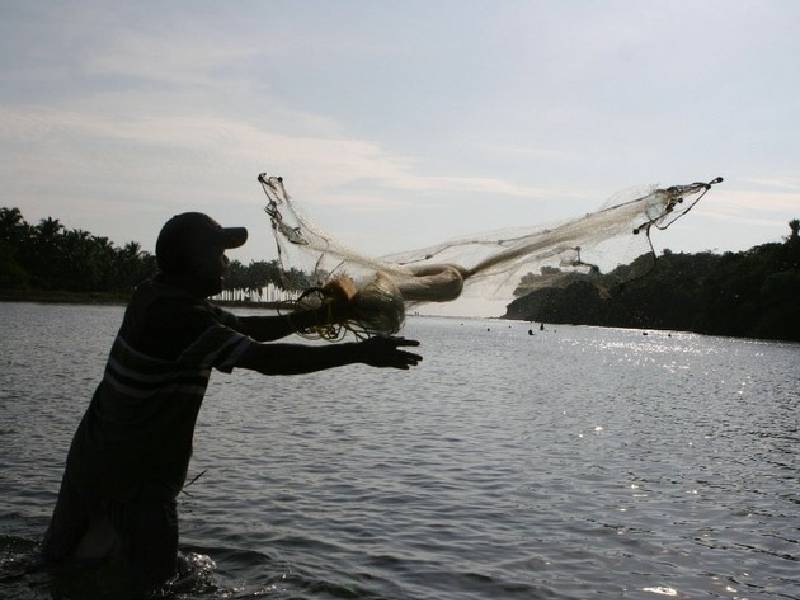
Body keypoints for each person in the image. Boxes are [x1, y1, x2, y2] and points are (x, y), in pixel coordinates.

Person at [41, 212, 422, 597]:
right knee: (154, 583)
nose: (227, 262)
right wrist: (357, 353)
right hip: (137, 478)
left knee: (56, 564)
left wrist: (328, 313)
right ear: (195, 261)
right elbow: (264, 359)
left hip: (91, 458)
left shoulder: (157, 295)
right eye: (219, 253)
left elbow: (249, 329)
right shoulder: (180, 316)